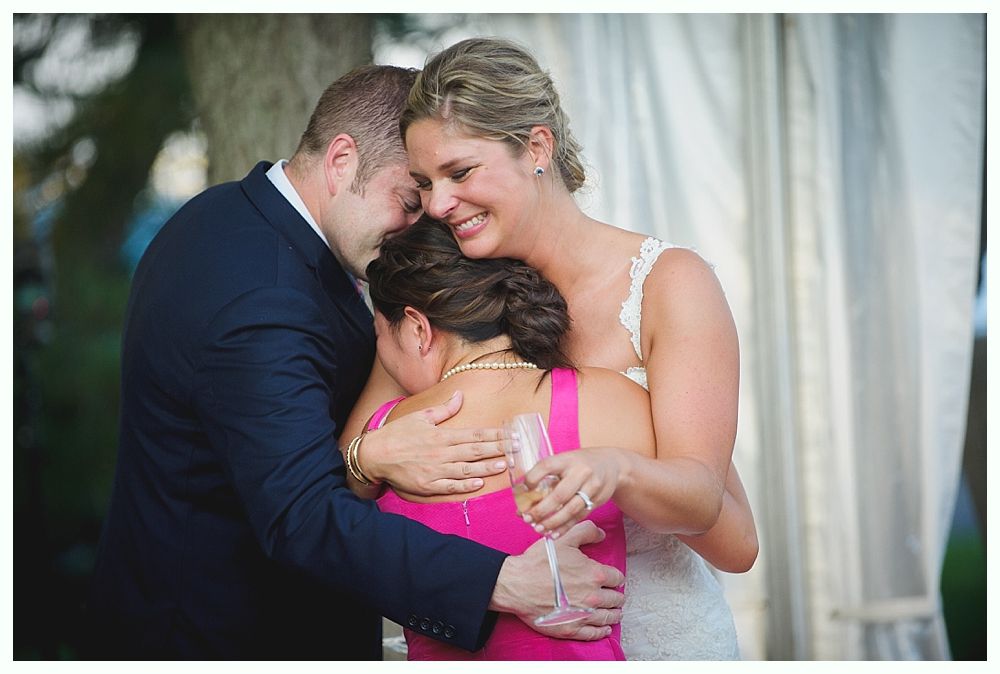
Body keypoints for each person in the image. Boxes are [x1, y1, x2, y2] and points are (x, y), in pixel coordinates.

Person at [85, 64, 625, 660]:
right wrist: (500, 580)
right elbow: (302, 516)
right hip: (224, 638)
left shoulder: (226, 216)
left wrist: (363, 457)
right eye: (408, 200)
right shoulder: (263, 297)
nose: (422, 224)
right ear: (342, 161)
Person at [346, 38, 759, 660]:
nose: (436, 205)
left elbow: (730, 536)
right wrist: (371, 455)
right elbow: (344, 484)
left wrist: (617, 467)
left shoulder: (667, 285)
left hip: (646, 633)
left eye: (460, 173)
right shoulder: (443, 293)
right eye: (425, 183)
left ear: (537, 147)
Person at [355, 216, 655, 660]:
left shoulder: (381, 436)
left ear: (418, 329)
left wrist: (361, 457)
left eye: (381, 334)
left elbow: (329, 534)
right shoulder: (608, 398)